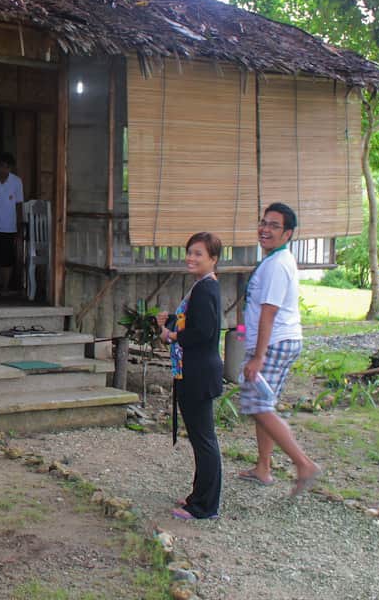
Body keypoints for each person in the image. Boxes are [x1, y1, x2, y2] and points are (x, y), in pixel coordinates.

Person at [239, 202, 321, 496]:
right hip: (279, 340)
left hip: (275, 342)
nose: (265, 229)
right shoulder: (275, 261)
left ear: (287, 234)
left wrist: (258, 356)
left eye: (274, 225)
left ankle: (304, 463)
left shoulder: (277, 265)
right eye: (263, 223)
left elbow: (269, 312)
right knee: (262, 404)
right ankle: (263, 468)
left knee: (258, 406)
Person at [156, 232, 224, 521]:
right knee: (200, 439)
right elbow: (194, 323)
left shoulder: (206, 289)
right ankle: (199, 496)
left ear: (213, 259)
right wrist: (171, 319)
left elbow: (203, 332)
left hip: (198, 372)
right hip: (194, 370)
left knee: (204, 439)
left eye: (199, 254)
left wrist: (171, 335)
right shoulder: (202, 286)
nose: (191, 258)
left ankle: (204, 506)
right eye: (189, 252)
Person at [0, 152, 24, 296]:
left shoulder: (16, 182)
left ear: (11, 169)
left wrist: (19, 227)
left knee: (7, 258)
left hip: (9, 226)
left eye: (7, 167)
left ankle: (4, 288)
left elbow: (18, 205)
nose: (4, 170)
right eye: (1, 166)